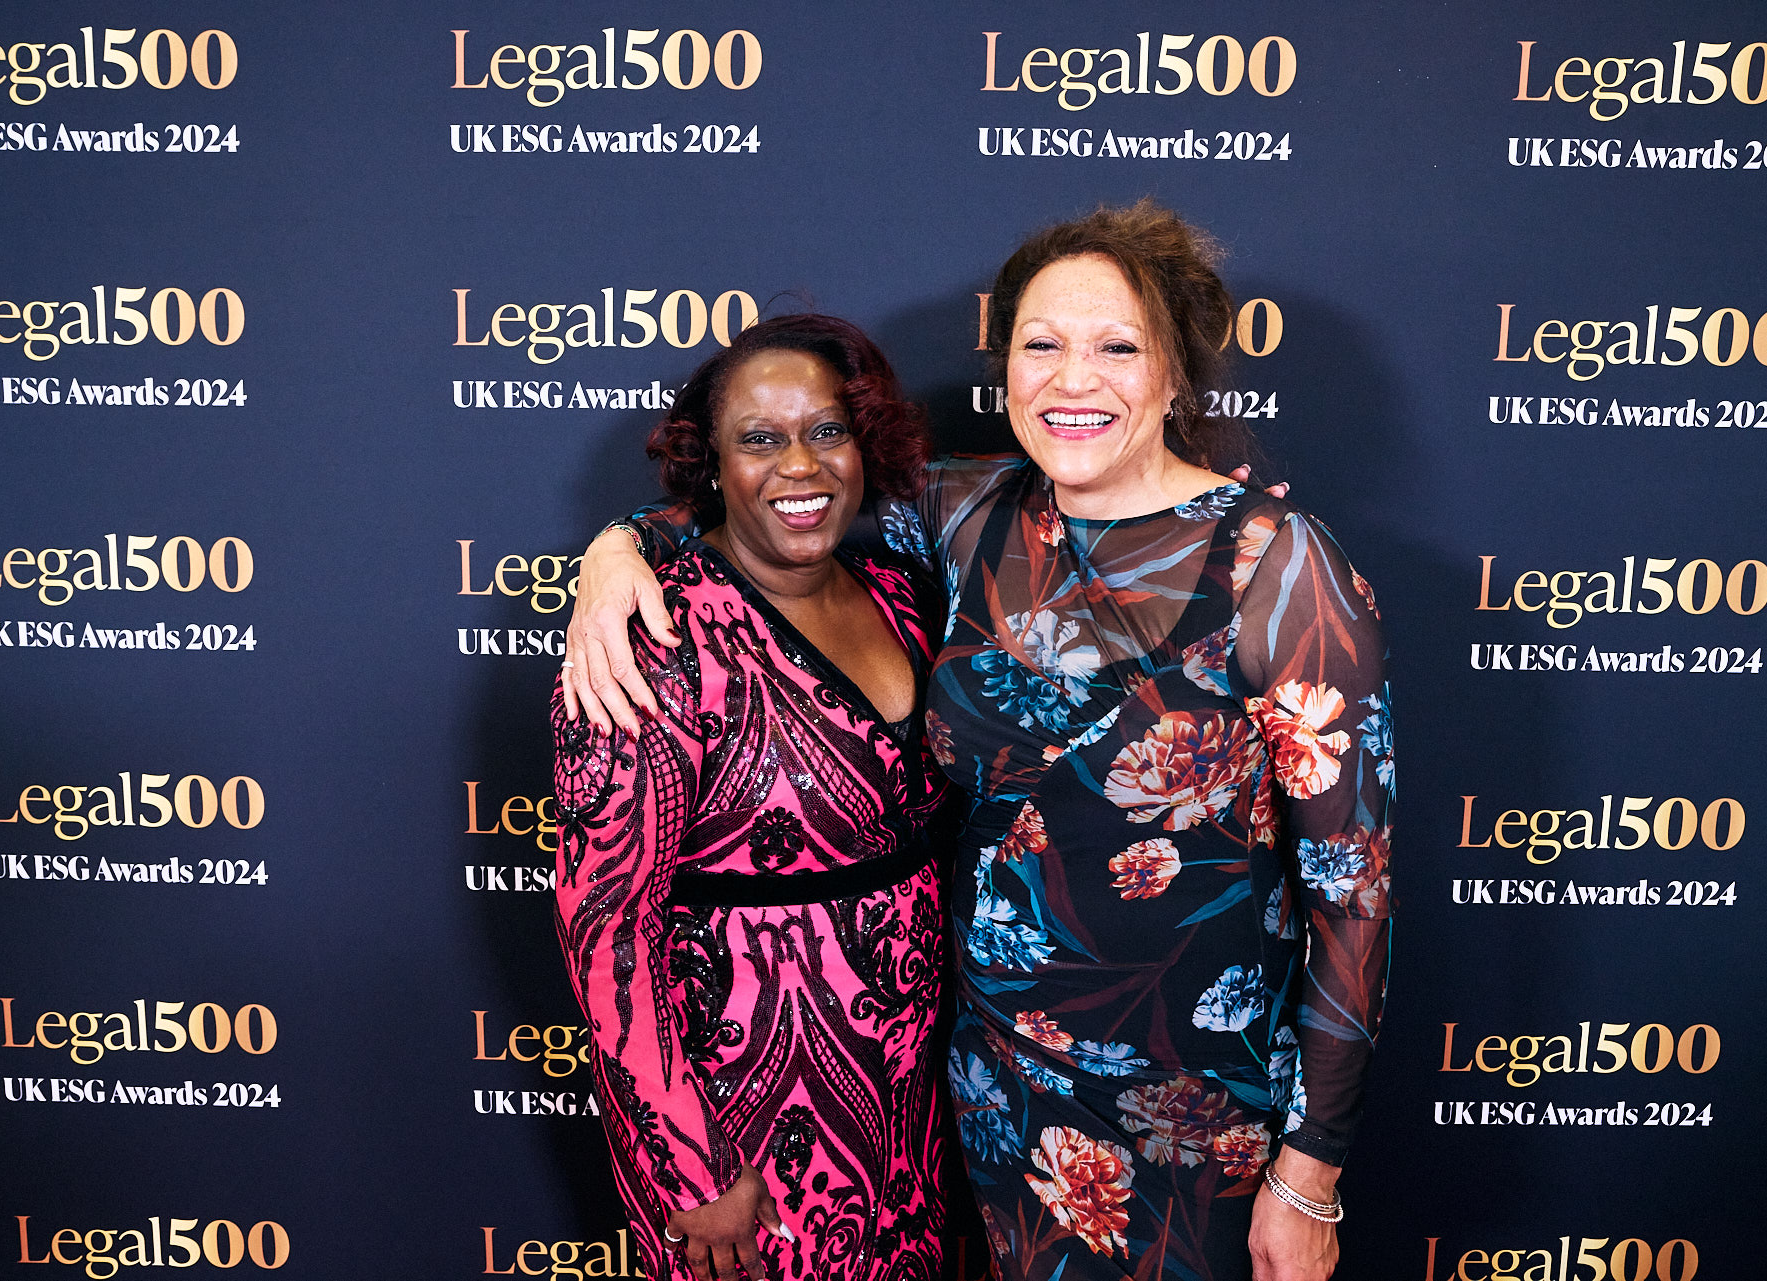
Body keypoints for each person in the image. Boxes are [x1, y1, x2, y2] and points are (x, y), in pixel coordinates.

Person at [565, 200, 1393, 1281]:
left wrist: (1311, 1170)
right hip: (990, 1092)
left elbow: (1353, 895)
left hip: (1197, 1112)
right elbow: (778, 499)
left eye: (1117, 347)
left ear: (1176, 375)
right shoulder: (966, 512)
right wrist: (617, 547)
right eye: (1042, 345)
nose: (1073, 378)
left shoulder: (1278, 569)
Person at [550, 315, 955, 1281]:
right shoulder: (654, 641)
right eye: (760, 439)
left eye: (827, 430)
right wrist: (688, 1165)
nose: (800, 466)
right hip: (747, 1127)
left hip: (915, 1102)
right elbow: (607, 931)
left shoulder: (904, 593)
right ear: (713, 465)